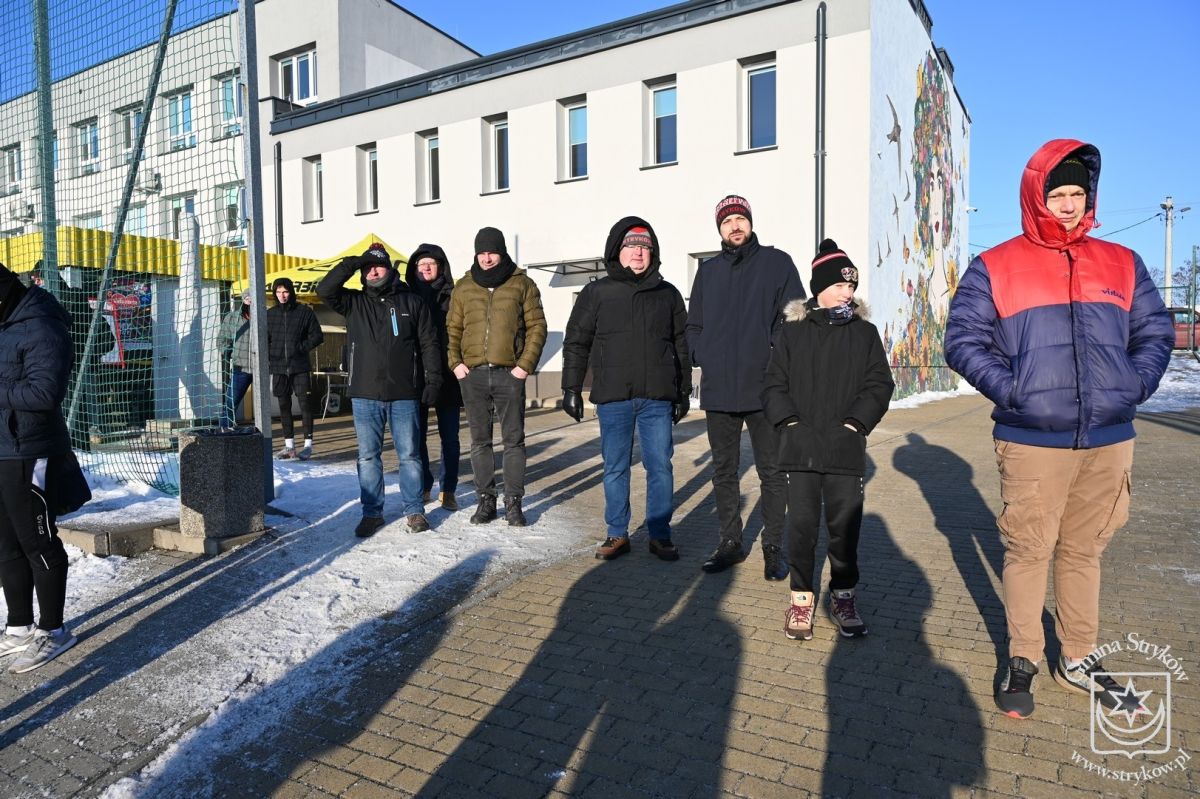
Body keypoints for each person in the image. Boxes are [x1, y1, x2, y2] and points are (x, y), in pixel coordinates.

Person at [944, 140, 1174, 719]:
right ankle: (1022, 657)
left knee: (1084, 551)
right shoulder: (995, 265)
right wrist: (1014, 390)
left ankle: (1077, 656)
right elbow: (963, 340)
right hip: (1032, 440)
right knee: (1028, 551)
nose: (1068, 205)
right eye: (1057, 194)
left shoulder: (1122, 262)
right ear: (1035, 197)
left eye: (1077, 193)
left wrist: (1131, 386)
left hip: (1108, 441)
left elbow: (1155, 333)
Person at [761, 240, 893, 641]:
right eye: (839, 285)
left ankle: (843, 597)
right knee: (801, 528)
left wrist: (855, 424)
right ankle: (801, 600)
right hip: (799, 449)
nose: (847, 293)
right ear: (819, 286)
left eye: (851, 286)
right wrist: (790, 423)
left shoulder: (865, 333)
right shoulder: (792, 332)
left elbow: (879, 384)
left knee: (844, 531)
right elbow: (773, 384)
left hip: (844, 450)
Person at [685, 194, 806, 578]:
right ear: (719, 229)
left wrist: (773, 355)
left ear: (750, 223)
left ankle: (773, 546)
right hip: (719, 388)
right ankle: (730, 543)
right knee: (724, 471)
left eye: (740, 219)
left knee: (772, 471)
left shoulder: (776, 263)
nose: (734, 226)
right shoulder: (708, 271)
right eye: (727, 221)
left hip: (764, 388)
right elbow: (694, 324)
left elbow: (795, 317)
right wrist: (701, 352)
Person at [562, 218, 692, 561]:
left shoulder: (667, 294)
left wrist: (683, 392)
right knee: (615, 467)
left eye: (645, 247)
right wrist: (571, 387)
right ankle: (617, 533)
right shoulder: (596, 293)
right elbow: (576, 341)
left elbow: (681, 344)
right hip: (613, 397)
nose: (638, 252)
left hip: (656, 398)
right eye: (631, 246)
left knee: (660, 467)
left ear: (653, 253)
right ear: (617, 251)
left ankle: (660, 534)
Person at [317, 243, 442, 537]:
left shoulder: (412, 302)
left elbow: (429, 344)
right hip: (364, 393)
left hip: (405, 393)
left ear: (390, 269)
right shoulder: (353, 302)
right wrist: (355, 261)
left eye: (378, 266)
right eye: (368, 268)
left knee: (410, 455)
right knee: (367, 457)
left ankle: (414, 511)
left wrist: (434, 380)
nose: (373, 272)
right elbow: (325, 289)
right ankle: (372, 513)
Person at [0, 263, 80, 672]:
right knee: (5, 545)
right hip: (2, 448)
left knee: (38, 543)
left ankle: (54, 630)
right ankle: (18, 626)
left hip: (29, 450)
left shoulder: (43, 326)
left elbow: (44, 393)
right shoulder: (6, 323)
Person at [447, 227, 547, 527]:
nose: (487, 258)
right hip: (473, 375)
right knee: (480, 442)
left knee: (513, 441)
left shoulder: (522, 284)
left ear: (502, 252)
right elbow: (452, 329)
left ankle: (513, 503)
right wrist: (456, 364)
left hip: (509, 375)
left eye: (492, 252)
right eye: (482, 252)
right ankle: (486, 501)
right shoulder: (464, 287)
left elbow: (537, 327)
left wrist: (523, 367)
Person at [405, 245, 462, 511]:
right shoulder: (406, 296)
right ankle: (424, 484)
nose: (426, 268)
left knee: (450, 437)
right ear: (414, 268)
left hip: (448, 375)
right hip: (416, 376)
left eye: (431, 263)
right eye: (421, 264)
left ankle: (448, 489)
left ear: (441, 267)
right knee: (417, 437)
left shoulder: (454, 295)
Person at [267, 277, 323, 460]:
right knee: (284, 406)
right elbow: (264, 339)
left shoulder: (304, 312)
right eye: (278, 292)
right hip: (278, 368)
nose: (282, 296)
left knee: (305, 404)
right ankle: (289, 446)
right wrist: (270, 354)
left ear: (291, 292)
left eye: (285, 292)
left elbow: (317, 336)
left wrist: (300, 348)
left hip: (300, 366)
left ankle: (308, 446)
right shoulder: (270, 314)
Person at [217, 288, 254, 429]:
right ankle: (225, 432)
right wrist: (230, 353)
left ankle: (264, 434)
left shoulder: (266, 317)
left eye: (253, 299)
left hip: (262, 367)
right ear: (243, 300)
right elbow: (222, 340)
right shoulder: (232, 318)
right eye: (247, 299)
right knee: (230, 404)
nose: (250, 301)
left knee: (265, 405)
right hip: (241, 367)